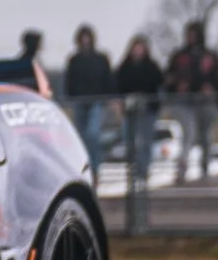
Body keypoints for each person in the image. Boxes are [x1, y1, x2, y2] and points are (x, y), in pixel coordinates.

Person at [164, 21, 218, 181]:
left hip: (205, 102)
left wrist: (213, 93)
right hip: (184, 102)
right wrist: (176, 85)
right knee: (189, 132)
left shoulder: (210, 56)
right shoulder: (179, 56)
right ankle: (182, 166)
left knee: (205, 135)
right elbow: (168, 78)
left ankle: (205, 165)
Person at [64, 25, 115, 181]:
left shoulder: (101, 59)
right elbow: (70, 80)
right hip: (79, 101)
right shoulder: (74, 59)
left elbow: (108, 78)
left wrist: (109, 96)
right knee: (81, 138)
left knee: (93, 134)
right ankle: (84, 168)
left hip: (96, 101)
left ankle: (95, 167)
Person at [116, 35, 163, 184]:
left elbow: (159, 84)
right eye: (136, 48)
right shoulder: (124, 67)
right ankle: (133, 168)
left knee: (145, 140)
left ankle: (144, 169)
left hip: (148, 109)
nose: (138, 51)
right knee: (130, 140)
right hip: (130, 110)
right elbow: (117, 85)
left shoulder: (152, 67)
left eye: (140, 48)